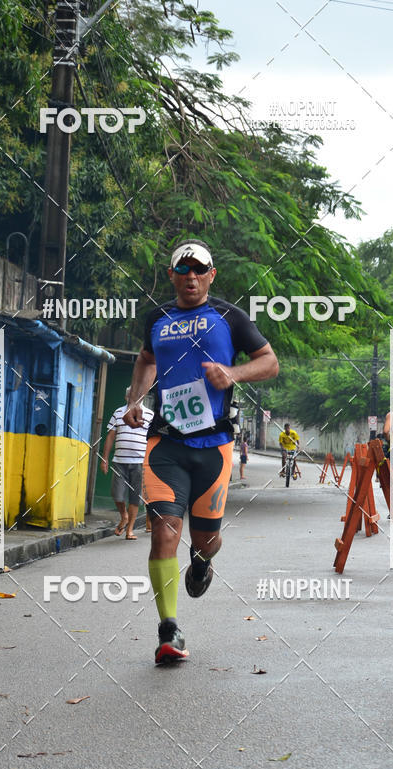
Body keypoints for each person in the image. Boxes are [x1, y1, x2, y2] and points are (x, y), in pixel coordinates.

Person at [123, 238, 278, 664]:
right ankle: (169, 630)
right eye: (182, 270)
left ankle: (202, 562)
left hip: (214, 445)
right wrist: (136, 400)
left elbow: (269, 362)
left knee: (205, 539)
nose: (190, 277)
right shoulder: (158, 318)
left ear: (211, 275)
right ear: (171, 275)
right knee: (163, 531)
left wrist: (233, 373)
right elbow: (145, 360)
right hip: (166, 443)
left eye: (199, 270)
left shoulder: (231, 317)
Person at [100, 387, 154, 540]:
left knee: (135, 496)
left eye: (137, 395)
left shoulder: (150, 415)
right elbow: (110, 436)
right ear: (126, 397)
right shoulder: (118, 413)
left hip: (139, 462)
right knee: (117, 494)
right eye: (131, 395)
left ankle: (130, 529)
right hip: (119, 461)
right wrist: (104, 458)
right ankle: (124, 515)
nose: (134, 397)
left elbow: (153, 440)